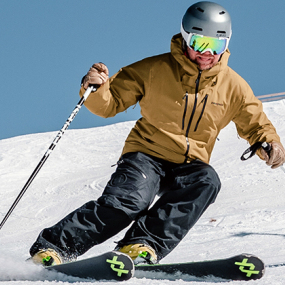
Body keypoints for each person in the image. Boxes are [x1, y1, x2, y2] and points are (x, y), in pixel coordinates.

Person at [30, 1, 285, 266]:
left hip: (190, 164)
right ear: (186, 39)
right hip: (146, 155)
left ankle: (141, 244)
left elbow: (255, 121)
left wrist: (268, 142)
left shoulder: (234, 87)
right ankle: (54, 247)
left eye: (216, 46)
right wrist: (96, 89)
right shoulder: (154, 69)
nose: (207, 54)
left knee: (207, 181)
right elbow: (110, 103)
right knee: (129, 202)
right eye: (200, 44)